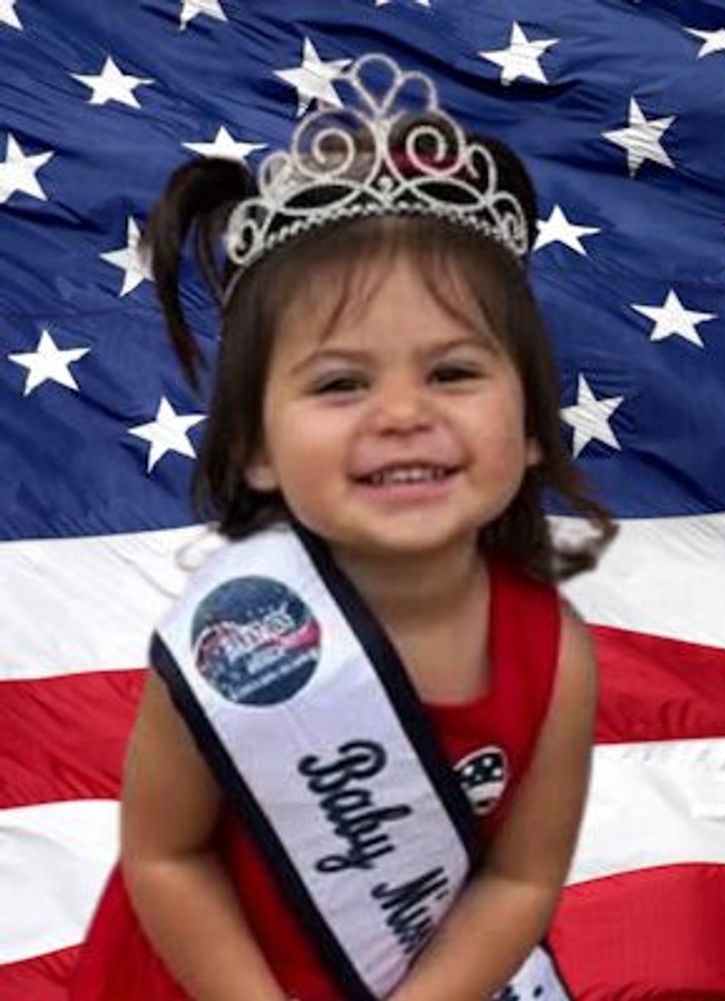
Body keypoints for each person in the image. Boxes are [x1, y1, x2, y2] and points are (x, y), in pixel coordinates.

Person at [71, 53, 616, 1001]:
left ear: (532, 425)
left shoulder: (555, 657)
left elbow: (519, 882)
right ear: (255, 448)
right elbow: (166, 855)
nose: (403, 412)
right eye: (340, 383)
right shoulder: (234, 633)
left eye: (452, 372)